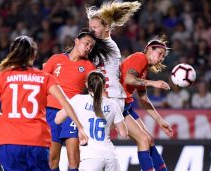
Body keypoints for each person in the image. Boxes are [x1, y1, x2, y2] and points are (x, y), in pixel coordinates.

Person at [0, 36, 88, 171]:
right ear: (34, 54)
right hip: (36, 140)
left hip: (9, 140)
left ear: (12, 53)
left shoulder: (3, 76)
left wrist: (2, 117)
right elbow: (66, 103)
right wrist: (80, 127)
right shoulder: (44, 78)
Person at [43, 30, 113, 171]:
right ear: (76, 41)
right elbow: (41, 82)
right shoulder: (55, 59)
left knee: (74, 160)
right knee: (52, 159)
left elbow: (99, 90)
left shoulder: (89, 67)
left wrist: (110, 107)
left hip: (73, 114)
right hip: (51, 112)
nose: (88, 48)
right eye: (86, 43)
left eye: (91, 47)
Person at [55, 71, 128, 171]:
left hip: (90, 157)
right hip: (111, 157)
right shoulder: (113, 104)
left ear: (86, 84)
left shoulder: (78, 100)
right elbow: (124, 134)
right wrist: (108, 124)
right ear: (104, 85)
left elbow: (58, 119)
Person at [120, 36, 174, 171]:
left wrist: (160, 121)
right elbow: (129, 79)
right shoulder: (140, 58)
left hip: (125, 106)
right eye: (160, 53)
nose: (161, 58)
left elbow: (143, 99)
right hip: (117, 106)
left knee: (148, 139)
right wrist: (154, 83)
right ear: (149, 49)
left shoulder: (143, 68)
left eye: (163, 56)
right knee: (144, 139)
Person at [87, 1, 141, 112]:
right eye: (90, 28)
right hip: (107, 96)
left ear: (107, 27)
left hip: (111, 97)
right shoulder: (100, 43)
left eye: (95, 27)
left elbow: (84, 60)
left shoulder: (108, 46)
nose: (91, 31)